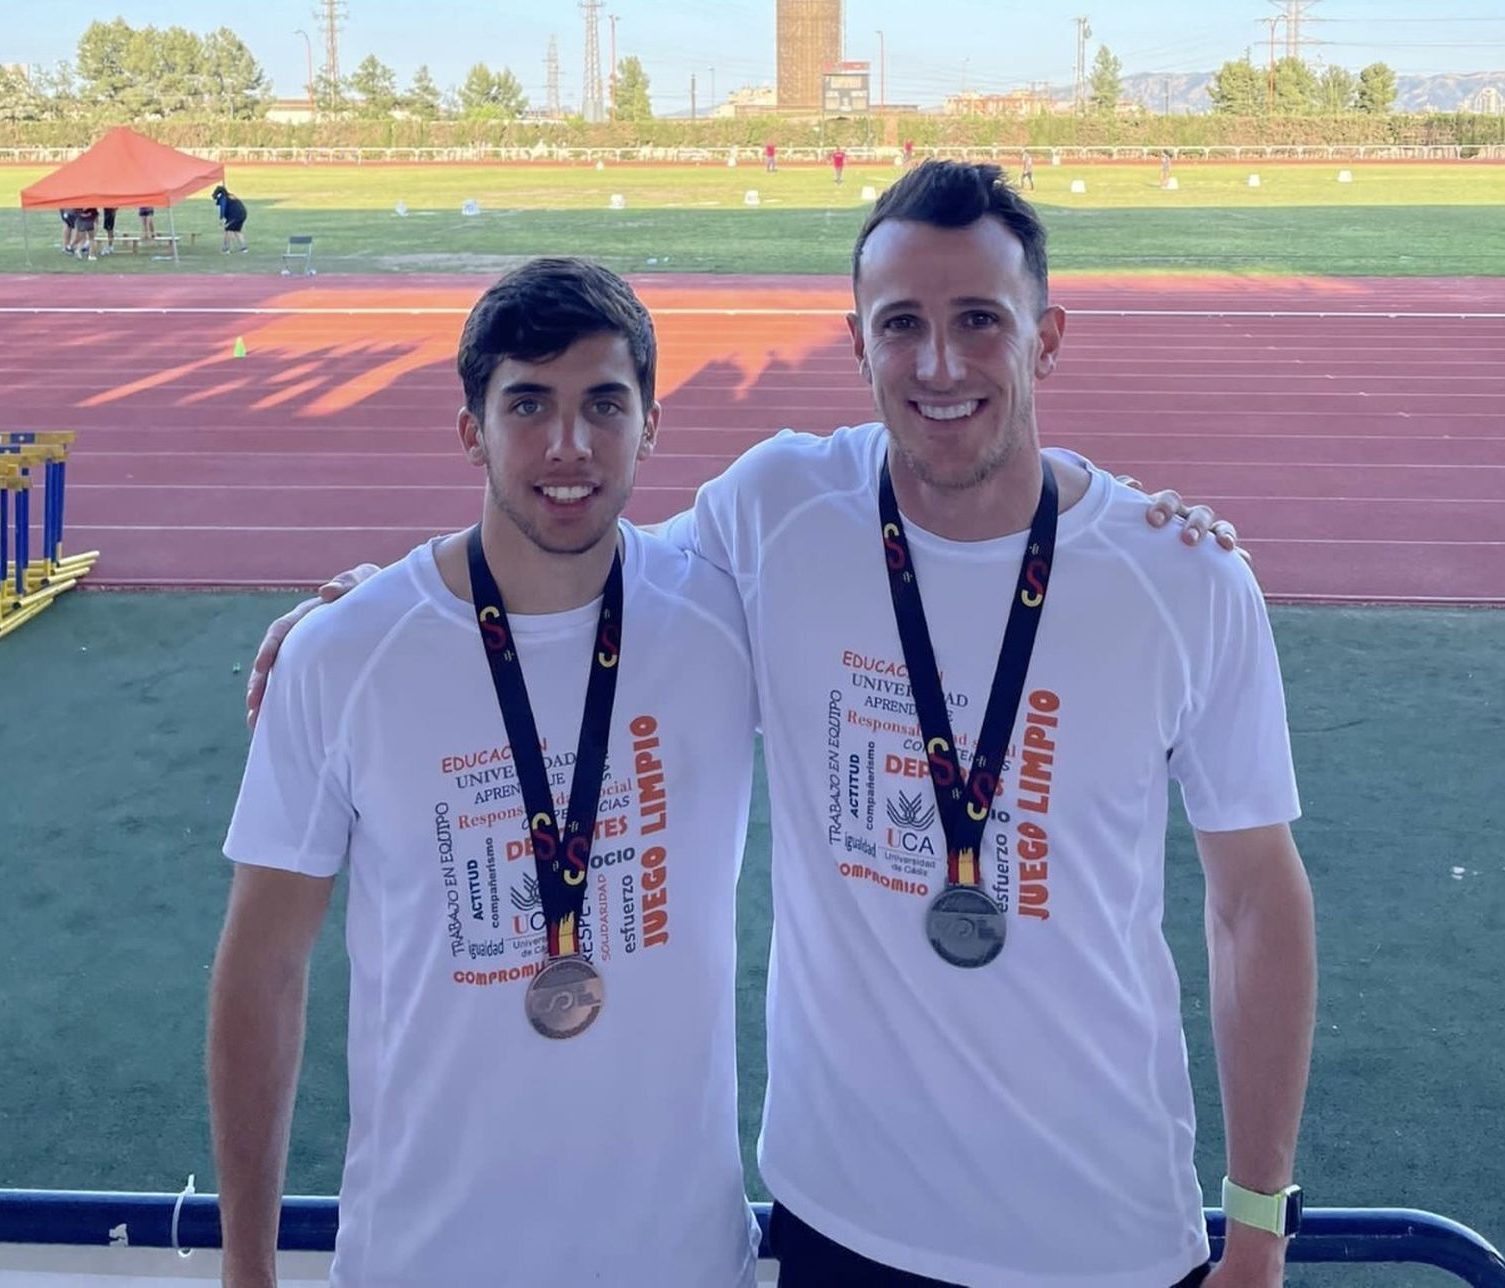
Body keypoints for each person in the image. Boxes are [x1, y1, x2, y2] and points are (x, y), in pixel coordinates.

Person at [250, 164, 1310, 1287]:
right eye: (900, 324)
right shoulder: (778, 512)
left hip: (1106, 1236)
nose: (938, 365)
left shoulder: (1183, 580)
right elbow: (570, 562)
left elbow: (1255, 906)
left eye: (978, 321)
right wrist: (371, 610)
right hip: (844, 1223)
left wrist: (1256, 1228)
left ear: (1045, 339)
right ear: (856, 343)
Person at [210, 258, 762, 1287]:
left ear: (652, 425)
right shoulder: (344, 655)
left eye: (605, 404)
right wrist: (249, 1269)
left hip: (675, 1259)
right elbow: (264, 969)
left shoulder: (727, 617)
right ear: (471, 429)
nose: (569, 444)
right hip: (426, 1257)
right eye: (528, 404)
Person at [213, 184, 248, 253]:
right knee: (237, 231)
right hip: (242, 214)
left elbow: (222, 208)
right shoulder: (231, 196)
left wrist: (221, 219)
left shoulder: (223, 198)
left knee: (228, 230)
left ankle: (226, 248)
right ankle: (244, 248)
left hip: (235, 215)